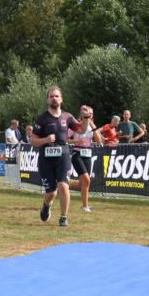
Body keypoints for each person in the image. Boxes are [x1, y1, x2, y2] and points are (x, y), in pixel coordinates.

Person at [31, 85, 81, 227]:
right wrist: (45, 140)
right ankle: (46, 205)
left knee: (63, 186)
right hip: (46, 159)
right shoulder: (42, 118)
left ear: (61, 99)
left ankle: (63, 217)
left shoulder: (68, 116)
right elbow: (33, 141)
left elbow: (82, 129)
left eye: (57, 96)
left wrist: (86, 117)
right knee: (52, 192)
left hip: (63, 156)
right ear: (48, 100)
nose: (54, 98)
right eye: (51, 96)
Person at [68, 105, 102, 213]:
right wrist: (75, 141)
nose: (90, 115)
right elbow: (65, 139)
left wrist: (93, 126)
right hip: (77, 154)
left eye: (91, 114)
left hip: (87, 154)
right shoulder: (76, 125)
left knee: (84, 182)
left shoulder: (92, 126)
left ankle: (63, 183)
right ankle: (85, 207)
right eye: (88, 113)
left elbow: (99, 141)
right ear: (83, 115)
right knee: (86, 179)